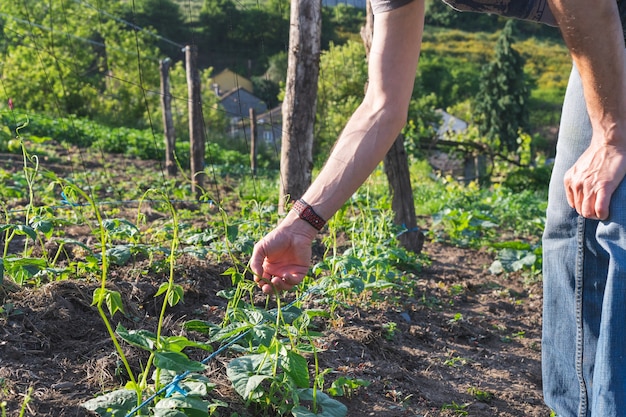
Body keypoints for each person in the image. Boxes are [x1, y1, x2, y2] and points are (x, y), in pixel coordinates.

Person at [250, 1, 626, 416]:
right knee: (574, 224)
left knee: (619, 216)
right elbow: (382, 105)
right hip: (603, 26)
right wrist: (302, 222)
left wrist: (612, 136)